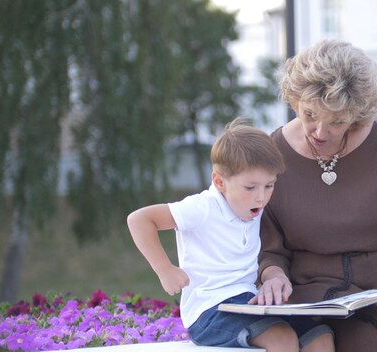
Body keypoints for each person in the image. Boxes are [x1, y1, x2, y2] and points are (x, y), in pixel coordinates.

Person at [251, 40, 377, 351]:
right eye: (310, 114)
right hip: (309, 302)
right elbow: (270, 247)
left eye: (337, 121)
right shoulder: (273, 153)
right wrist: (273, 276)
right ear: (294, 102)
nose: (319, 131)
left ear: (358, 114)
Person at [127, 118, 335, 352]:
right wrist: (165, 269)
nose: (261, 197)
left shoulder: (253, 206)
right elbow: (139, 219)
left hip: (248, 302)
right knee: (282, 339)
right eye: (251, 187)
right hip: (209, 312)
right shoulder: (203, 207)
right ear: (219, 181)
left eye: (269, 185)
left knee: (320, 336)